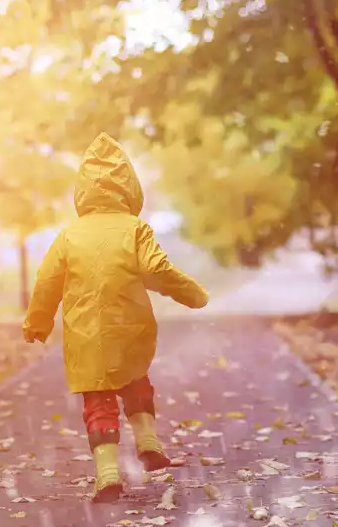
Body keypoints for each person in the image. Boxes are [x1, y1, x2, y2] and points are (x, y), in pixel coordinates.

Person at [23, 133, 209, 502]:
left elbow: (47, 282)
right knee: (136, 382)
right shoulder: (135, 229)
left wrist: (37, 323)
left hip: (86, 333)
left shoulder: (69, 235)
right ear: (128, 186)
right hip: (130, 326)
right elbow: (158, 269)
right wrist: (191, 294)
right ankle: (148, 440)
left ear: (83, 191)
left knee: (99, 401)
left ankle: (107, 474)